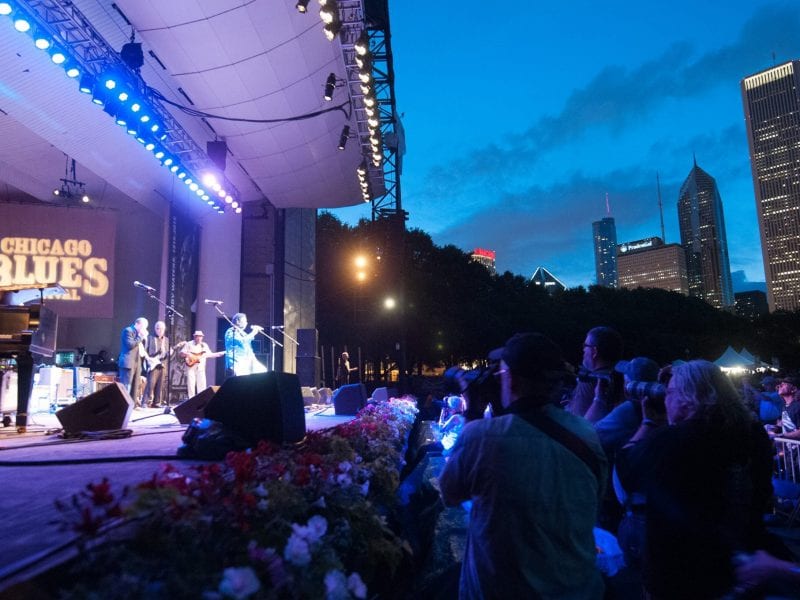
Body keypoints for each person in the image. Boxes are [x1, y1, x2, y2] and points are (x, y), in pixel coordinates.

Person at [439, 332, 607, 599]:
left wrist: (472, 412)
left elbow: (449, 493)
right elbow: (596, 497)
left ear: (511, 379)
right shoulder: (587, 435)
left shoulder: (481, 436)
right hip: (577, 589)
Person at [616, 360, 774, 599]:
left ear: (689, 399)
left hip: (682, 573)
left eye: (670, 392)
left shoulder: (672, 440)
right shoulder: (753, 431)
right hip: (746, 562)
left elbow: (625, 473)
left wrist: (648, 422)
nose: (665, 399)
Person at [567, 325, 624, 418]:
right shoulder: (620, 379)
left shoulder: (590, 380)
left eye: (585, 346)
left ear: (594, 352)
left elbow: (574, 419)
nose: (583, 350)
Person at [181, 330, 224, 397]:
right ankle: (191, 400)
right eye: (197, 336)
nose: (199, 338)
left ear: (202, 337)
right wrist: (188, 355)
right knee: (191, 384)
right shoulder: (189, 344)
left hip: (201, 368)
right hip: (191, 367)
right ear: (194, 337)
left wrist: (219, 354)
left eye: (200, 336)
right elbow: (181, 353)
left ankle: (201, 399)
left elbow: (209, 354)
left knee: (202, 385)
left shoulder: (204, 345)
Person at [224, 313, 267, 377]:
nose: (246, 323)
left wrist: (253, 360)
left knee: (263, 371)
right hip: (237, 362)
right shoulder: (231, 331)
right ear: (237, 321)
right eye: (244, 321)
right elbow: (242, 341)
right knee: (243, 378)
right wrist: (254, 332)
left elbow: (248, 343)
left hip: (247, 361)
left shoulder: (242, 333)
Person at [118, 317, 148, 408]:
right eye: (144, 326)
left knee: (135, 385)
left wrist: (143, 338)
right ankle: (124, 406)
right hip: (128, 362)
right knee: (126, 385)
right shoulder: (128, 331)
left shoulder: (138, 334)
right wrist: (141, 336)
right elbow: (130, 345)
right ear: (137, 324)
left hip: (137, 363)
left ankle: (133, 406)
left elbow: (142, 349)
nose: (145, 329)